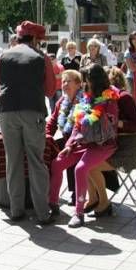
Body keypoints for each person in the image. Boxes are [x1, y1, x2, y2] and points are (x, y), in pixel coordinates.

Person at [0, 21, 56, 225]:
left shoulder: (2, 56)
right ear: (35, 39)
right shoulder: (41, 58)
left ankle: (16, 209)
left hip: (7, 112)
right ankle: (42, 213)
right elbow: (51, 90)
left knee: (13, 160)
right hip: (32, 111)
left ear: (18, 37)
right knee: (36, 161)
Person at [50, 64, 119, 227]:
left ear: (94, 80)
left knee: (80, 168)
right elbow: (77, 124)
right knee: (57, 163)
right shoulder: (85, 98)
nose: (84, 83)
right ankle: (52, 204)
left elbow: (112, 125)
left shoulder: (109, 98)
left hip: (103, 144)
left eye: (86, 79)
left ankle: (78, 213)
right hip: (84, 142)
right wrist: (69, 145)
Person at [84, 67, 136, 217]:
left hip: (127, 148)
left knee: (89, 167)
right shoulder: (102, 99)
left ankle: (103, 202)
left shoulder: (124, 97)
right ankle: (94, 199)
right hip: (111, 145)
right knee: (84, 163)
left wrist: (117, 123)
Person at [46, 69, 83, 206]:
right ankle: (49, 193)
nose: (65, 84)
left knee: (65, 156)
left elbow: (80, 127)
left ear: (79, 85)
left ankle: (75, 192)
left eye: (69, 81)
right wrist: (47, 135)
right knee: (48, 151)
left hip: (81, 141)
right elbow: (52, 121)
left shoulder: (83, 101)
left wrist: (70, 144)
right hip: (67, 138)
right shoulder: (62, 100)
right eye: (63, 81)